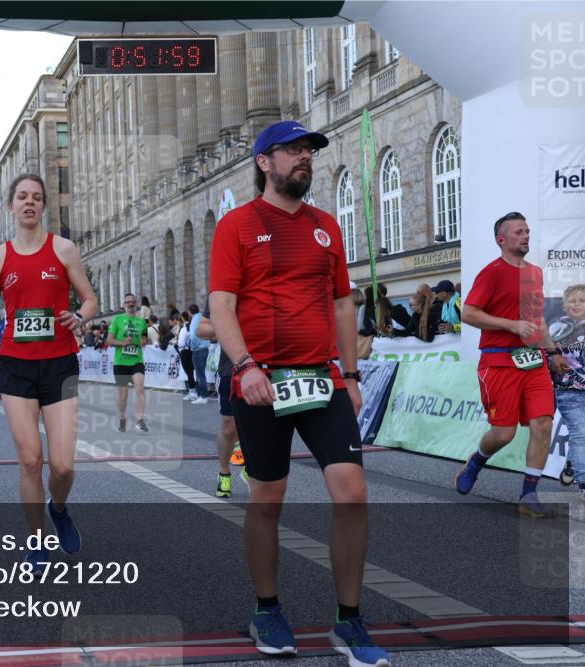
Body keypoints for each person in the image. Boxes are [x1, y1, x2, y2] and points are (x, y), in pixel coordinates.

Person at [209, 120, 390, 667]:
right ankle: (267, 609)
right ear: (264, 162)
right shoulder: (237, 225)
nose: (304, 157)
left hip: (321, 378)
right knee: (268, 498)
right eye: (291, 149)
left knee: (352, 492)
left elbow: (342, 305)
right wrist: (246, 366)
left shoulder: (326, 227)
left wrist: (351, 378)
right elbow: (222, 304)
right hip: (260, 382)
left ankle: (349, 620)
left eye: (308, 149)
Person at [0, 173, 98, 572]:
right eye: (22, 196)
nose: (29, 202)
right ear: (11, 206)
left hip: (60, 363)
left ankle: (59, 508)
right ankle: (37, 542)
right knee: (30, 461)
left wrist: (80, 317)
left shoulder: (64, 249)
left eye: (36, 197)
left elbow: (90, 299)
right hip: (16, 366)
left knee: (63, 466)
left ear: (43, 206)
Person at [454, 211, 570, 517]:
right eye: (519, 232)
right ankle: (476, 461)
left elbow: (536, 319)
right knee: (504, 433)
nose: (526, 236)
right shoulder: (491, 273)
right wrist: (511, 325)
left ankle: (529, 494)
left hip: (534, 361)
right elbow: (468, 313)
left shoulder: (534, 273)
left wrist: (554, 353)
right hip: (499, 361)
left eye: (527, 231)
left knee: (543, 423)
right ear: (501, 240)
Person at [548, 283, 585, 501]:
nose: (577, 304)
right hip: (569, 390)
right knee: (581, 433)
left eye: (582, 300)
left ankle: (573, 461)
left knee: (584, 435)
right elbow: (545, 352)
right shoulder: (556, 328)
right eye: (572, 301)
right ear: (564, 306)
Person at [197, 305, 242, 498]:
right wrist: (229, 327)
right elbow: (202, 329)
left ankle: (253, 470)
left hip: (265, 367)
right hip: (231, 368)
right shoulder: (224, 293)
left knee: (259, 425)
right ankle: (224, 473)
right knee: (229, 426)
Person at [107, 293, 149, 433]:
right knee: (123, 395)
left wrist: (144, 341)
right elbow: (109, 340)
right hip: (121, 363)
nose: (130, 304)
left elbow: (144, 339)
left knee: (140, 388)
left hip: (137, 360)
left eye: (133, 302)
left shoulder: (142, 322)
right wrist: (123, 343)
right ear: (123, 304)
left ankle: (140, 420)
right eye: (127, 302)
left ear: (136, 304)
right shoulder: (117, 319)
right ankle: (122, 418)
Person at [188, 304, 211, 405]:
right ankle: (202, 395)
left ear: (190, 312)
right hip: (205, 348)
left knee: (199, 374)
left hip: (198, 349)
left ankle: (203, 395)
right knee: (201, 373)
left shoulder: (194, 320)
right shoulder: (202, 317)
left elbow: (193, 335)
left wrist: (193, 345)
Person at [177, 312, 197, 400]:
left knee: (189, 372)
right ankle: (193, 391)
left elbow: (181, 343)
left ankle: (192, 392)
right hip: (192, 351)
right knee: (191, 372)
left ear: (182, 318)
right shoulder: (193, 327)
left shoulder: (184, 329)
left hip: (185, 351)